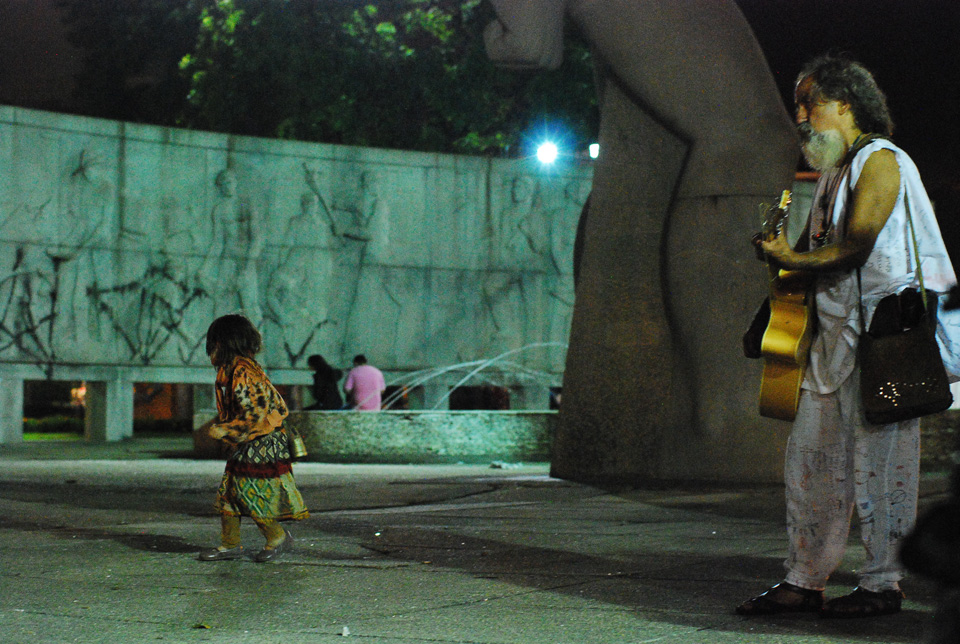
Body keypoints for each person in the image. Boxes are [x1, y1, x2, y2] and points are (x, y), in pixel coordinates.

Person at [736, 54, 960, 618]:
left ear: (844, 102)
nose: (801, 116)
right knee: (810, 462)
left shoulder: (881, 159)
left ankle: (883, 584)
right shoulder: (834, 170)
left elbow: (858, 243)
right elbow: (822, 253)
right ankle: (803, 578)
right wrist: (782, 260)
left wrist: (792, 257)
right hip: (831, 341)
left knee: (884, 468)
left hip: (884, 341)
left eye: (808, 103)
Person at [198, 314, 309, 563]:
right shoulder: (235, 368)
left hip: (261, 443)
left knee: (249, 492)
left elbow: (254, 413)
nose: (211, 349)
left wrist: (226, 429)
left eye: (214, 343)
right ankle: (230, 544)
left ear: (223, 342)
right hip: (252, 442)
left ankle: (277, 537)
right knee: (229, 493)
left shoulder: (242, 371)